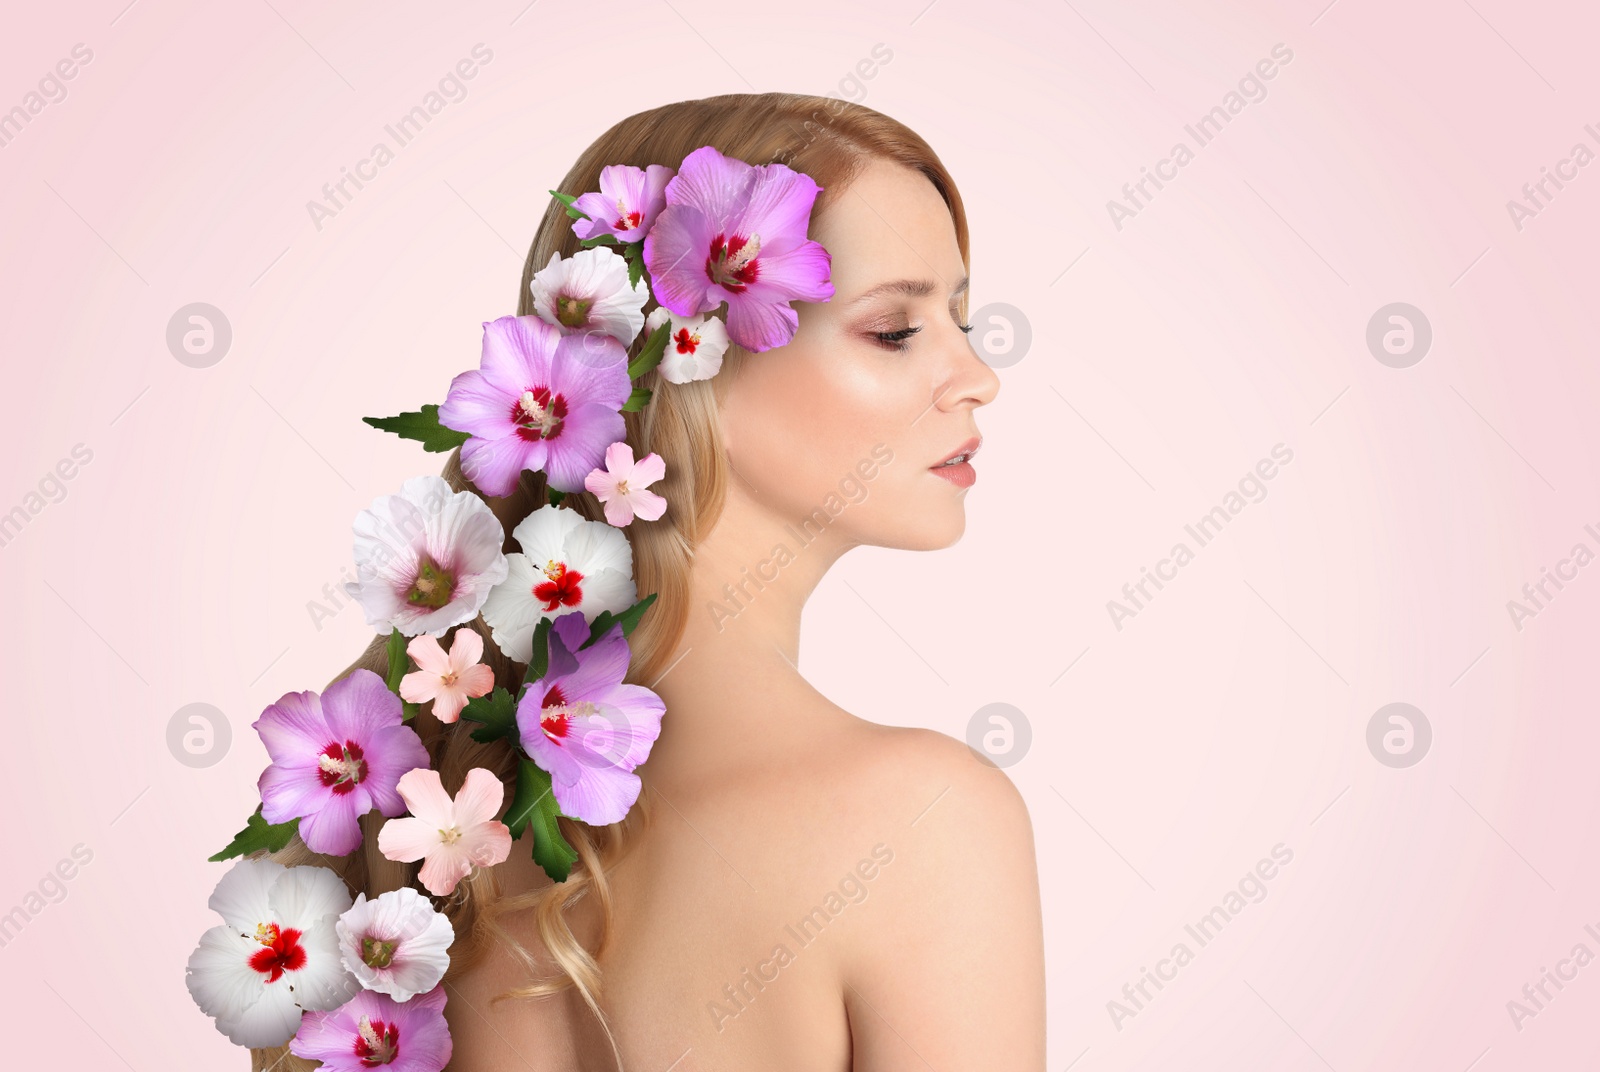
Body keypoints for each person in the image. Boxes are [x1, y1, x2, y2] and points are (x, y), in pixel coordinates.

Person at [253, 91, 1043, 1072]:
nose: (977, 376)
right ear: (685, 360)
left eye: (959, 318)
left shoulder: (418, 815)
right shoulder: (925, 818)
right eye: (894, 329)